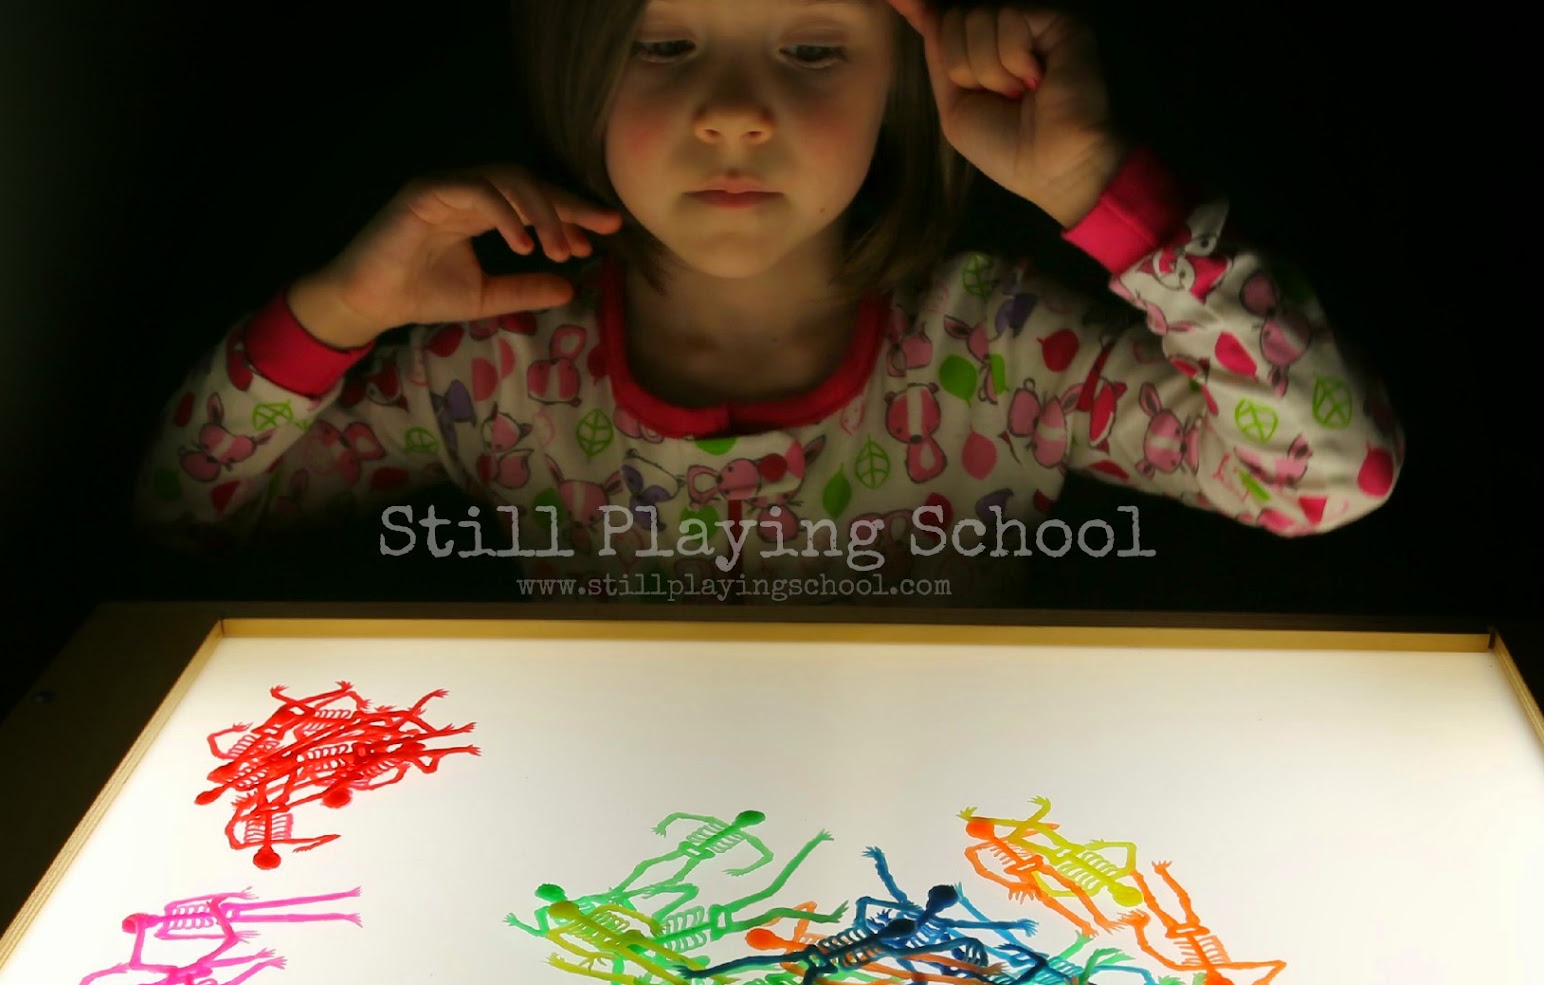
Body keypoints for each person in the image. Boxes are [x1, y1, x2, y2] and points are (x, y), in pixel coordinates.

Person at [132, 1, 1403, 605]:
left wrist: (1094, 187)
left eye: (809, 50)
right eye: (666, 45)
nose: (735, 113)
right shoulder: (493, 371)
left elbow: (1326, 477)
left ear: (903, 85)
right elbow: (189, 511)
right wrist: (342, 308)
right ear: (582, 69)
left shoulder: (999, 353)